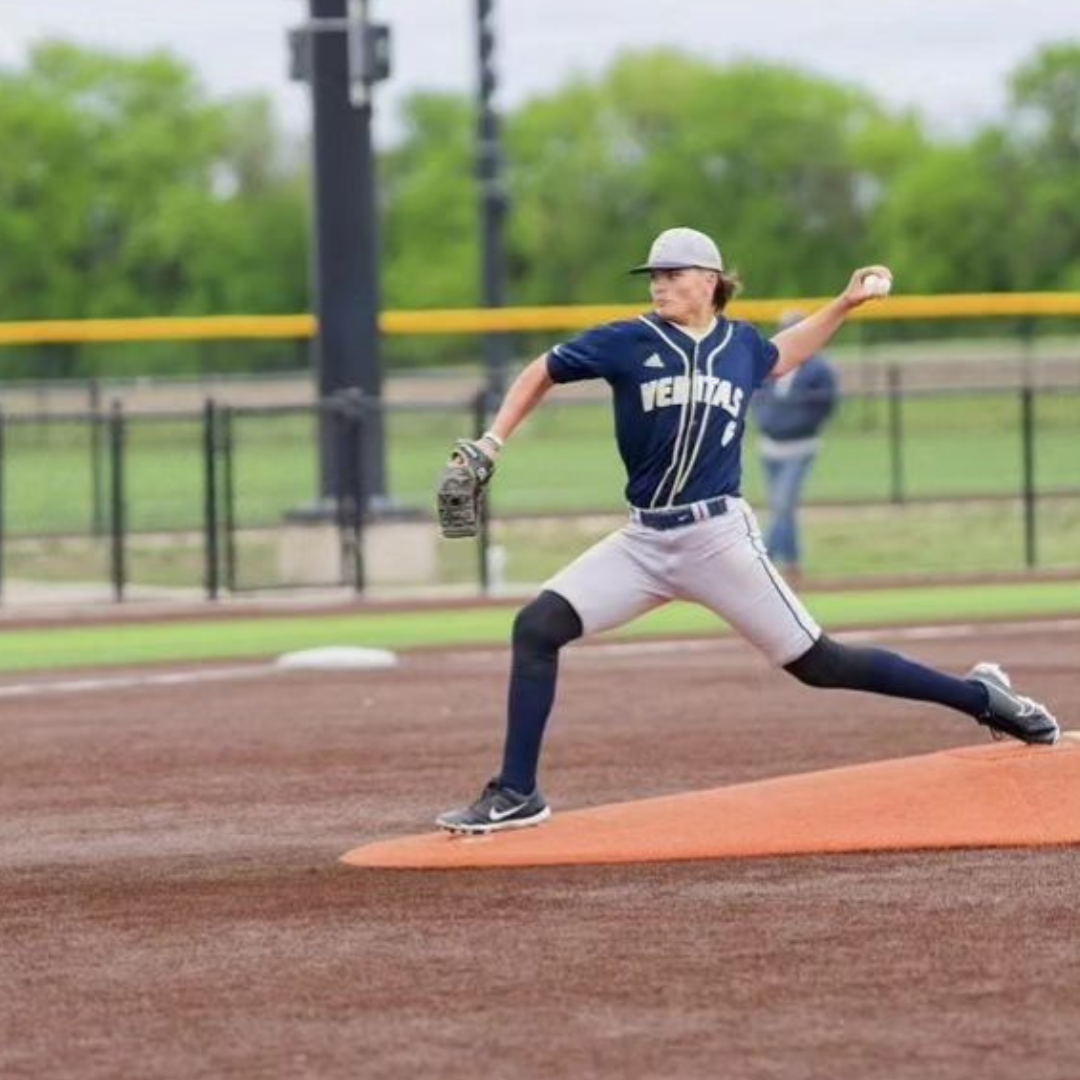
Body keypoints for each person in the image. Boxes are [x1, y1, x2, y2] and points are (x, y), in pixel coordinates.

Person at [436, 227, 1060, 835]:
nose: (659, 284)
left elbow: (788, 353)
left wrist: (843, 304)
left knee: (821, 663)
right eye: (653, 275)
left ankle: (983, 699)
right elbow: (542, 368)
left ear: (709, 281)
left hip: (718, 540)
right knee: (537, 626)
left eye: (672, 274)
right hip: (644, 542)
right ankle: (517, 792)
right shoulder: (625, 341)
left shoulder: (740, 345)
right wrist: (494, 440)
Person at [754, 310, 839, 585]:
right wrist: (767, 420)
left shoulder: (818, 368)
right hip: (770, 447)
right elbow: (756, 397)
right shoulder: (768, 365)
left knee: (781, 506)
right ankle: (793, 564)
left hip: (800, 446)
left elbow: (827, 404)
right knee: (783, 509)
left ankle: (763, 560)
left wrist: (800, 421)